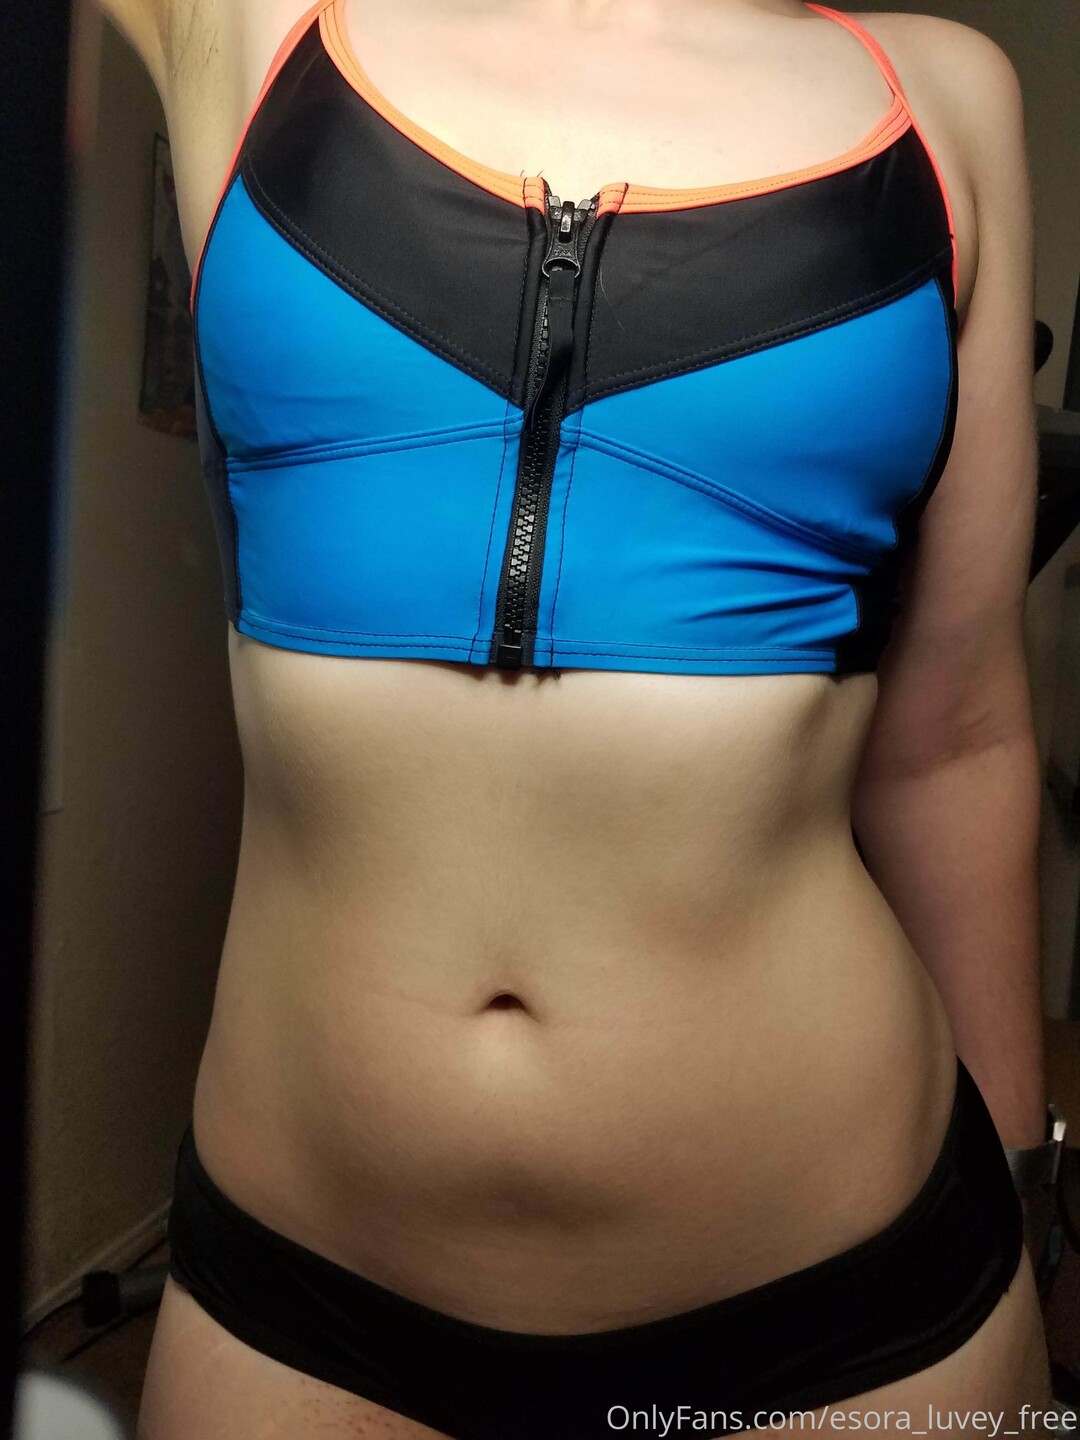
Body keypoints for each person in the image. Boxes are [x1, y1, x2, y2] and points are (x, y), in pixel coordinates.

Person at [92, 0, 1054, 1434]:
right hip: (304, 1287)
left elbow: (958, 743)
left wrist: (1026, 1186)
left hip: (843, 1298)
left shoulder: (941, 101)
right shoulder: (249, 28)